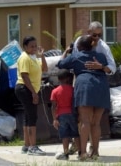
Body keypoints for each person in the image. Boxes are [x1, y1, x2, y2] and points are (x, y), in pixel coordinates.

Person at [57, 35, 110, 161]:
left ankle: (83, 153)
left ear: (79, 47)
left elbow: (60, 64)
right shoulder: (101, 56)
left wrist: (66, 52)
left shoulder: (76, 56)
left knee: (85, 121)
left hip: (85, 87)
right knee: (96, 123)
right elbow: (108, 68)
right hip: (101, 88)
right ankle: (96, 152)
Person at [71, 21, 116, 155]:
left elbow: (113, 68)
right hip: (85, 83)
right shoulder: (80, 41)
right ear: (88, 32)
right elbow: (73, 58)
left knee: (92, 121)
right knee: (82, 119)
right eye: (94, 35)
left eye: (99, 35)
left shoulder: (103, 47)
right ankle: (81, 147)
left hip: (93, 84)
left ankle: (91, 151)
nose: (97, 38)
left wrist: (101, 67)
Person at [15, 36, 48, 155]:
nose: (34, 48)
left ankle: (26, 145)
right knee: (32, 117)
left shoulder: (33, 58)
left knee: (28, 117)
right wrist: (34, 93)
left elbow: (45, 69)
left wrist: (42, 55)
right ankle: (32, 147)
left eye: (35, 46)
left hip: (30, 89)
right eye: (31, 46)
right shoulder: (24, 58)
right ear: (25, 47)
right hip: (25, 88)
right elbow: (24, 76)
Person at [50, 69, 80, 160]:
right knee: (76, 134)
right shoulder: (73, 90)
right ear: (68, 79)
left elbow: (53, 106)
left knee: (64, 136)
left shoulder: (55, 91)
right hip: (72, 114)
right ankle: (80, 152)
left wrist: (55, 119)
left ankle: (66, 154)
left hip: (61, 115)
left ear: (58, 79)